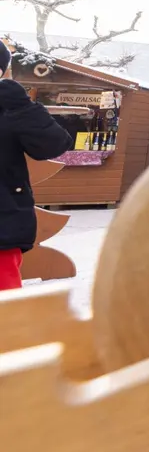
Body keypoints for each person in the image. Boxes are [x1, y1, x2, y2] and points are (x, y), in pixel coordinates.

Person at [0, 44, 75, 291]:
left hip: (3, 227)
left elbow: (53, 146)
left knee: (6, 317)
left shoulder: (9, 107)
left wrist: (21, 108)